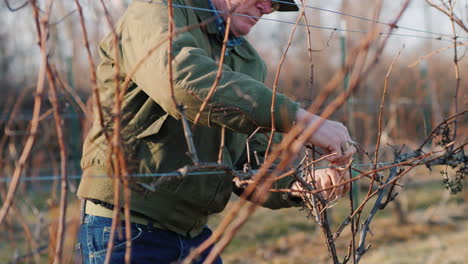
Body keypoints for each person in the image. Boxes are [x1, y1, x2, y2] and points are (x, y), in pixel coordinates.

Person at [76, 0, 356, 263]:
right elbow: (180, 82)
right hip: (125, 226)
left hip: (194, 235)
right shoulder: (156, 10)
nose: (267, 7)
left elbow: (250, 162)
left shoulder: (249, 62)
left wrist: (301, 185)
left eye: (274, 3)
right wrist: (299, 120)